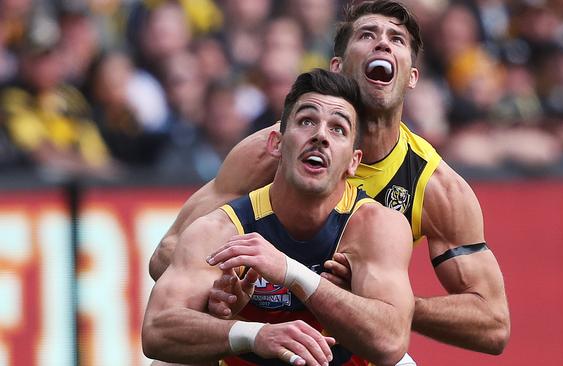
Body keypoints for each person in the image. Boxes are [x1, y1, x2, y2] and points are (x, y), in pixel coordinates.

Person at [149, 0, 510, 356]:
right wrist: (223, 289)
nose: (383, 43)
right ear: (337, 66)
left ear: (412, 76)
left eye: (397, 39)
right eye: (367, 34)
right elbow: (166, 256)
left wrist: (390, 306)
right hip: (261, 341)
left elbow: (493, 324)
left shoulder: (433, 185)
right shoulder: (272, 150)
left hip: (352, 343)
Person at [142, 69, 415, 366]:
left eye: (338, 129)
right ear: (276, 143)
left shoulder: (375, 225)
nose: (320, 135)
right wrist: (254, 334)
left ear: (353, 162)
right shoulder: (223, 227)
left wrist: (291, 272)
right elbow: (156, 330)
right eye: (307, 121)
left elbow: (391, 342)